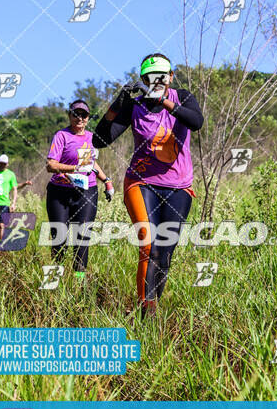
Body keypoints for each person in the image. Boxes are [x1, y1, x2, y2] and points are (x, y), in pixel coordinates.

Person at [93, 53, 204, 318]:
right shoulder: (136, 106)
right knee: (149, 246)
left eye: (162, 76)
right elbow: (99, 140)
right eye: (150, 77)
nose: (157, 81)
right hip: (141, 183)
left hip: (179, 186)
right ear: (143, 79)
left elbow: (196, 122)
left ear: (171, 77)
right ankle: (148, 312)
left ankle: (153, 301)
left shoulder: (183, 97)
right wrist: (116, 106)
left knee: (165, 253)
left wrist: (164, 101)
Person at [46, 100, 114, 281]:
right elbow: (51, 165)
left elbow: (91, 164)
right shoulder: (62, 136)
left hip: (86, 191)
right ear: (69, 115)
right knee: (59, 238)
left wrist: (107, 180)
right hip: (60, 191)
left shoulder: (92, 138)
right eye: (75, 114)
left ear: (88, 118)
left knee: (82, 238)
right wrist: (73, 169)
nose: (79, 118)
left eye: (83, 115)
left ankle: (79, 282)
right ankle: (53, 283)